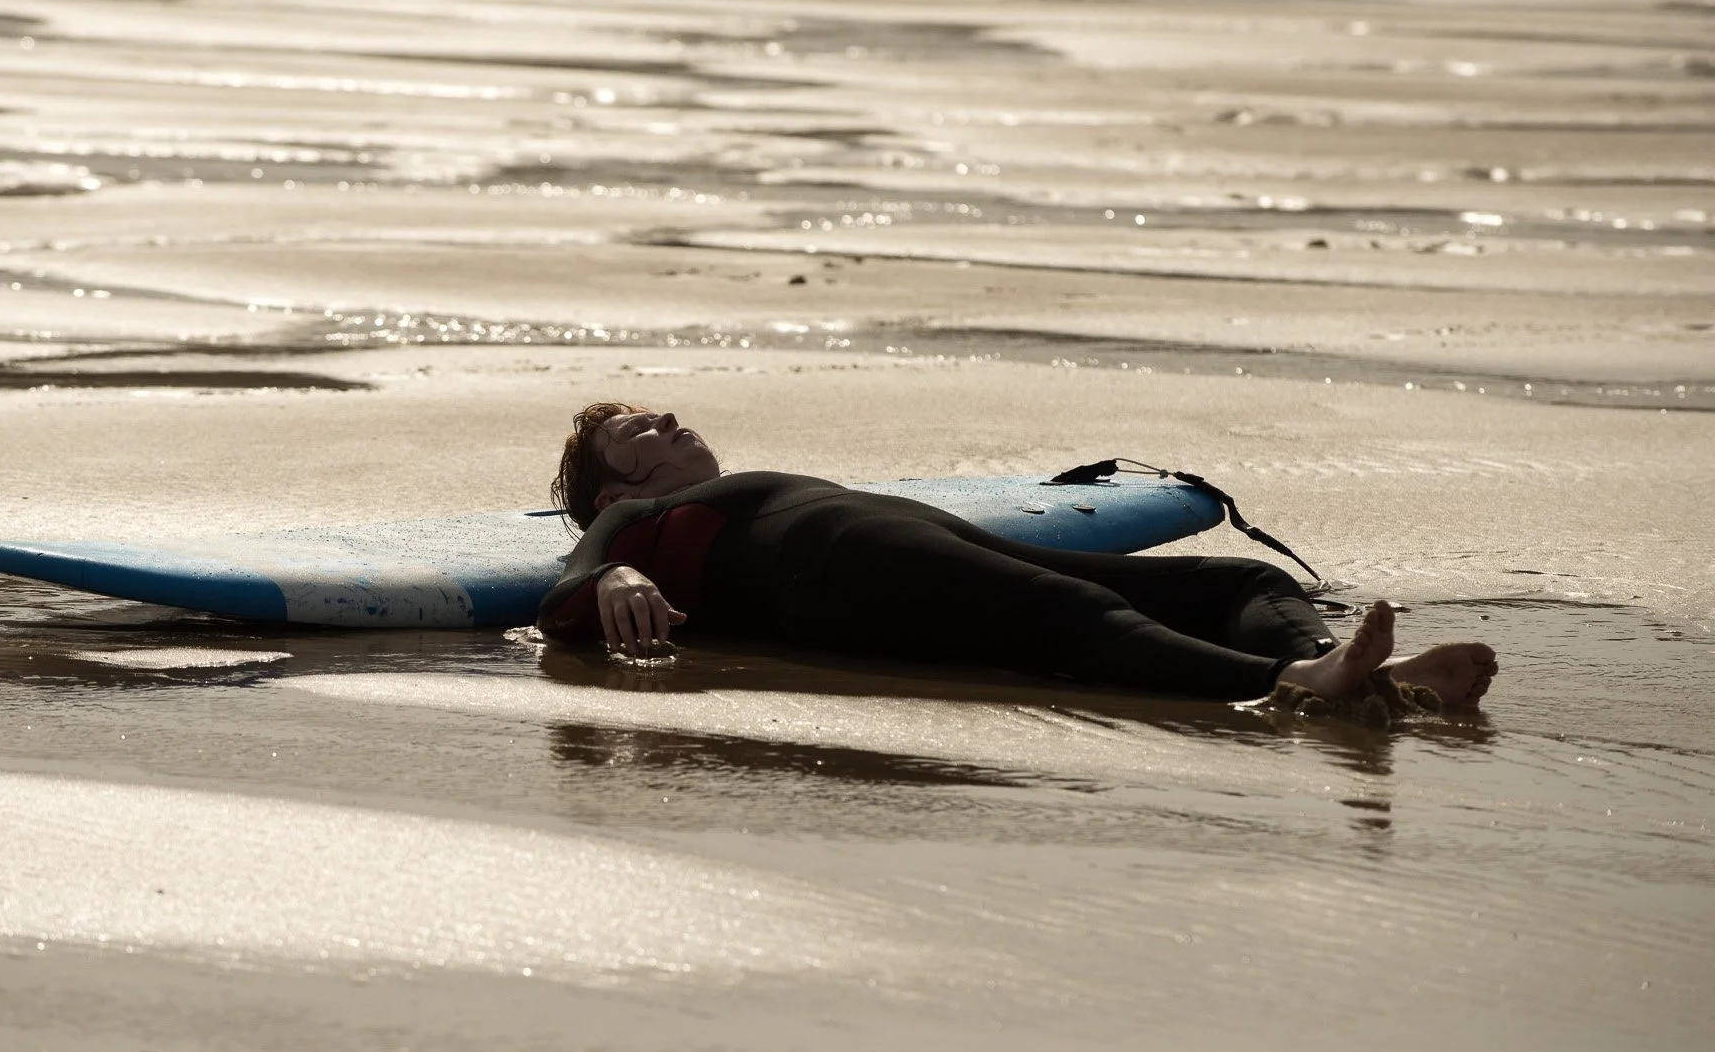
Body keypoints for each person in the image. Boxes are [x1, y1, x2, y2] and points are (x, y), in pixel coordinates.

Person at [537, 402, 1498, 708]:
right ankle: (1293, 680)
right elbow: (570, 593)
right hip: (841, 577)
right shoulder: (631, 528)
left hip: (913, 547)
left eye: (659, 413)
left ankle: (1366, 673)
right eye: (637, 434)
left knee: (1240, 578)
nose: (664, 420)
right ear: (621, 492)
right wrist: (617, 566)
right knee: (1067, 619)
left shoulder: (722, 494)